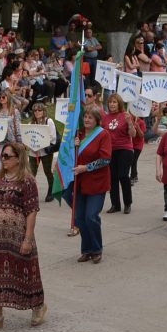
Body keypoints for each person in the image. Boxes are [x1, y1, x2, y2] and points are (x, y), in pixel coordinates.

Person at [0, 141, 45, 330]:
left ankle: (38, 306)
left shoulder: (27, 181)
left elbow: (32, 211)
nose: (3, 160)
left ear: (18, 158)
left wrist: (28, 239)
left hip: (18, 236)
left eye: (7, 156)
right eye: (2, 156)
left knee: (26, 271)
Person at [70, 108, 112, 263]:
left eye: (90, 118)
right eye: (85, 117)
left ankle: (96, 249)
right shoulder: (78, 134)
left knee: (91, 216)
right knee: (80, 218)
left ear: (97, 120)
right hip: (79, 182)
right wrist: (72, 145)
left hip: (97, 182)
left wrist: (86, 167)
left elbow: (106, 159)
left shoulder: (103, 134)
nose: (87, 120)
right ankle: (86, 250)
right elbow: (70, 156)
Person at [103, 94, 136, 214]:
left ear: (119, 104)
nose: (112, 104)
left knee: (123, 175)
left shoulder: (125, 116)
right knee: (112, 178)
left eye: (115, 102)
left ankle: (128, 203)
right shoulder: (105, 118)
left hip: (125, 149)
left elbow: (133, 134)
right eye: (110, 102)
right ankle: (115, 204)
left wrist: (130, 123)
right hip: (110, 151)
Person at [28, 103, 60, 202]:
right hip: (33, 152)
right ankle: (30, 193)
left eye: (39, 110)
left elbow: (52, 137)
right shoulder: (30, 123)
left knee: (47, 171)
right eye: (35, 111)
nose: (37, 112)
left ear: (43, 111)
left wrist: (39, 144)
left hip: (45, 151)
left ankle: (51, 190)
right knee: (31, 173)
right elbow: (28, 137)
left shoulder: (48, 121)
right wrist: (31, 145)